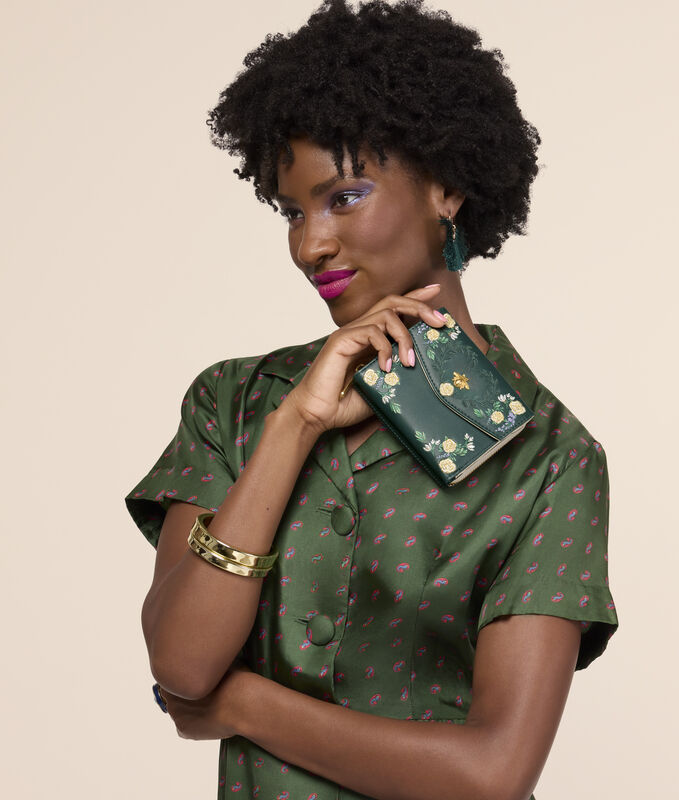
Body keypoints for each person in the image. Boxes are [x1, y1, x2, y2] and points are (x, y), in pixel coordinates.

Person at [124, 2, 619, 798]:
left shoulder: (548, 459)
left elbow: (494, 773)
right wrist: (296, 425)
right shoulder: (235, 402)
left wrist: (245, 704)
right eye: (293, 211)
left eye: (344, 197)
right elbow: (181, 664)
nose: (309, 244)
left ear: (446, 189)